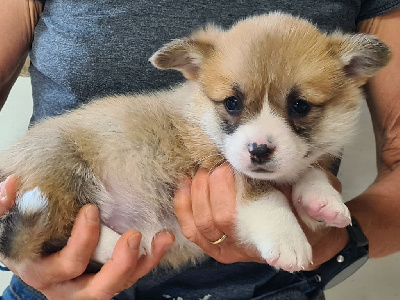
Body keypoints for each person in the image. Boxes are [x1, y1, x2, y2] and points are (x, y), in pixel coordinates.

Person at [0, 0, 400, 299]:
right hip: (53, 251)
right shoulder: (199, 104)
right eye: (232, 104)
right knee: (50, 172)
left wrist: (341, 238)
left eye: (299, 107)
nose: (260, 139)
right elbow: (231, 175)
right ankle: (43, 228)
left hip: (272, 290)